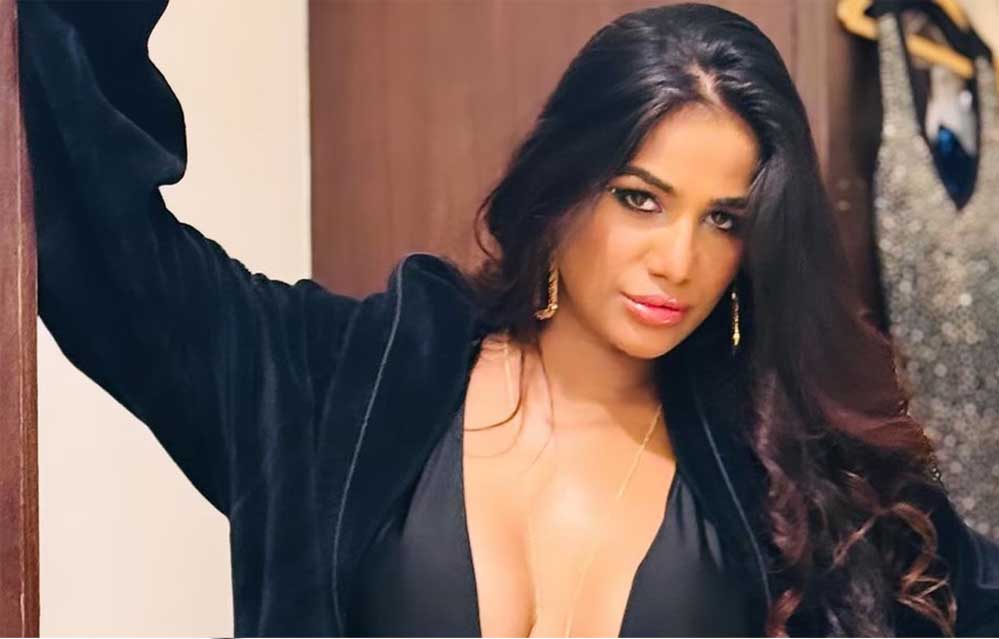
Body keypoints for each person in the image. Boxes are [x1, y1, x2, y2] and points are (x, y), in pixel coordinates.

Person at [18, 0, 999, 636]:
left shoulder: (799, 476)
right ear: (562, 183)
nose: (678, 260)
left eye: (724, 220)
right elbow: (91, 241)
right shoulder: (335, 385)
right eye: (640, 198)